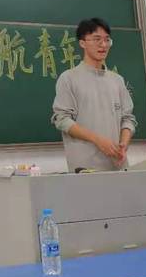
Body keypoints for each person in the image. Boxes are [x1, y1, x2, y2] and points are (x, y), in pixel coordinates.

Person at [51, 18, 137, 172]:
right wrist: (98, 140)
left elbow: (128, 118)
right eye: (97, 39)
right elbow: (62, 119)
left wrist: (123, 144)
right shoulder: (69, 78)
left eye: (107, 40)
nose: (103, 45)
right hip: (85, 168)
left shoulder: (117, 80)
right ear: (82, 43)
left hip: (118, 166)